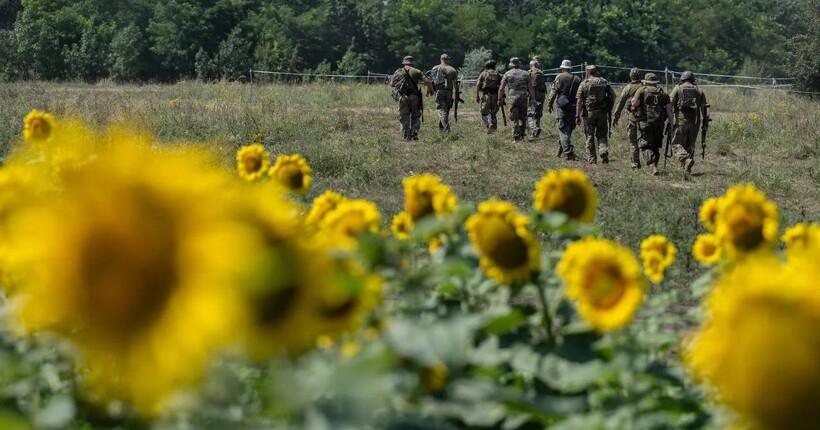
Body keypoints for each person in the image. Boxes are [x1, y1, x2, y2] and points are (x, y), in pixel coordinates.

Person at [630, 73, 673, 176]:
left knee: (645, 146)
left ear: (646, 81)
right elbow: (669, 111)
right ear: (655, 82)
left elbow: (634, 103)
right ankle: (654, 167)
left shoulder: (642, 90)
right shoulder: (663, 93)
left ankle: (651, 165)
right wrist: (671, 124)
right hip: (659, 124)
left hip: (645, 123)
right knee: (655, 146)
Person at [669, 71, 709, 179]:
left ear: (682, 79)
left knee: (676, 144)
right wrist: (705, 122)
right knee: (690, 146)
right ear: (693, 79)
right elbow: (704, 108)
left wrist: (670, 118)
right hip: (695, 123)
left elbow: (670, 103)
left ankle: (685, 160)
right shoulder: (699, 90)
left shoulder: (678, 88)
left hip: (680, 122)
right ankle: (687, 170)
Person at [576, 65, 616, 164]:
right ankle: (603, 150)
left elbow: (579, 101)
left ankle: (592, 159)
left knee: (589, 135)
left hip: (588, 113)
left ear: (587, 72)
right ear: (595, 72)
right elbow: (613, 95)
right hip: (602, 112)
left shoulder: (583, 84)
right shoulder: (604, 82)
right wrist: (608, 106)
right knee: (602, 133)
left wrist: (577, 115)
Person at [389, 56, 431, 141]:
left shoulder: (398, 71)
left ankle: (406, 136)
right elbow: (427, 82)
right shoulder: (417, 71)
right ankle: (414, 133)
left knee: (404, 116)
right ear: (412, 62)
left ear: (404, 62)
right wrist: (431, 90)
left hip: (403, 97)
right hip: (415, 97)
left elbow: (392, 84)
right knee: (415, 116)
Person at [547, 59, 580, 160]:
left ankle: (568, 153)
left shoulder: (559, 77)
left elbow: (553, 92)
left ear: (562, 68)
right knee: (568, 130)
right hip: (574, 107)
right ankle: (560, 151)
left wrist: (550, 103)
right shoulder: (577, 79)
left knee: (563, 130)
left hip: (563, 106)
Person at [612, 68, 644, 169]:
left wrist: (615, 117)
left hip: (633, 119)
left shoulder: (628, 88)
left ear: (630, 76)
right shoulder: (644, 87)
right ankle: (650, 164)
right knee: (646, 142)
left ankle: (635, 164)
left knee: (633, 142)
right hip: (646, 119)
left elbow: (620, 103)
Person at [498, 57, 535, 142]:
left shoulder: (507, 74)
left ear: (511, 65)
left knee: (514, 118)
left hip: (513, 98)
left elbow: (501, 88)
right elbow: (531, 87)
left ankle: (516, 137)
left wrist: (499, 99)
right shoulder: (526, 74)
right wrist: (533, 98)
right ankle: (522, 135)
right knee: (522, 117)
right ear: (519, 64)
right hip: (523, 97)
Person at [427, 54, 459, 132]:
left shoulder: (435, 68)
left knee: (442, 110)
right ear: (448, 60)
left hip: (439, 91)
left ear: (441, 59)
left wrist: (429, 91)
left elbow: (430, 81)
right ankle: (442, 130)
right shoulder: (452, 70)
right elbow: (455, 84)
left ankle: (446, 129)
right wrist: (457, 94)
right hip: (449, 92)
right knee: (446, 110)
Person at [475, 59, 502, 132]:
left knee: (484, 112)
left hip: (486, 95)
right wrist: (501, 97)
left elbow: (477, 85)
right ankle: (494, 130)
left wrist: (477, 96)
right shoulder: (498, 74)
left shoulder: (483, 73)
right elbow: (501, 86)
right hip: (495, 95)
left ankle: (488, 124)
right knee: (493, 113)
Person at [527, 59, 548, 139]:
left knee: (530, 113)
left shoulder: (529, 73)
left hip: (534, 96)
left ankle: (534, 128)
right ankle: (537, 131)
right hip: (541, 95)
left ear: (530, 65)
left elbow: (529, 86)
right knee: (538, 114)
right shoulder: (541, 73)